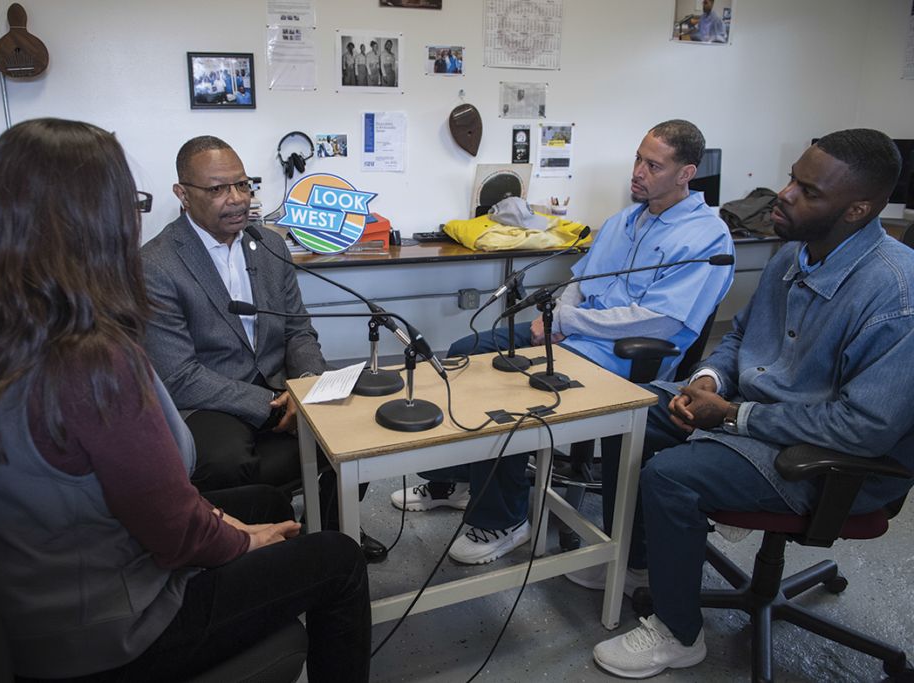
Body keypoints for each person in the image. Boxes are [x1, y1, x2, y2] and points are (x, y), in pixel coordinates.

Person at [0, 118, 371, 682]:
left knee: (264, 502)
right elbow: (174, 528)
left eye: (243, 185)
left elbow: (146, 499)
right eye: (128, 200)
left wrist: (235, 519)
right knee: (337, 560)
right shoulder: (92, 359)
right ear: (95, 219)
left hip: (33, 604)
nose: (135, 217)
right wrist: (237, 541)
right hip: (111, 634)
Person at [591, 129, 914, 678]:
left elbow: (864, 428)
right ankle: (644, 563)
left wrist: (736, 416)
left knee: (674, 476)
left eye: (808, 191)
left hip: (832, 459)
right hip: (755, 415)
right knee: (628, 409)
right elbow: (740, 338)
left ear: (857, 209)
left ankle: (678, 633)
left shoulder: (896, 293)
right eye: (792, 177)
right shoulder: (793, 255)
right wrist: (712, 380)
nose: (784, 194)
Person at [391, 120, 734, 566]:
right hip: (574, 333)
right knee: (464, 351)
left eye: (653, 165)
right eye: (638, 158)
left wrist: (569, 321)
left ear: (686, 173)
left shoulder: (706, 236)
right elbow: (580, 280)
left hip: (626, 357)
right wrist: (555, 320)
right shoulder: (625, 220)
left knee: (506, 391)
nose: (638, 172)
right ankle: (460, 481)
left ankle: (505, 519)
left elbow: (663, 322)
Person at [141, 135, 387, 561]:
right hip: (209, 399)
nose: (236, 200)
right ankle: (250, 545)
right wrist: (275, 402)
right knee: (227, 460)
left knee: (353, 427)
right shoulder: (155, 265)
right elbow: (179, 376)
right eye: (217, 189)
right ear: (182, 194)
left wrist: (308, 385)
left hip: (279, 384)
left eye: (243, 185)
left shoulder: (270, 245)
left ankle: (332, 527)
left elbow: (298, 330)